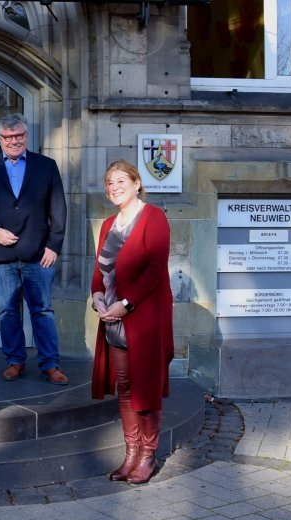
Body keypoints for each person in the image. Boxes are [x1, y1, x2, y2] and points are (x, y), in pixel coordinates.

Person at [0, 113, 68, 384]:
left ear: (26, 136)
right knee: (7, 311)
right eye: (8, 137)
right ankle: (15, 360)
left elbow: (58, 207)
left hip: (38, 253)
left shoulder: (46, 166)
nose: (14, 141)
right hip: (0, 254)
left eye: (19, 136)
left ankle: (50, 364)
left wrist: (54, 245)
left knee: (43, 310)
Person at [90, 159, 174, 484]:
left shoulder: (154, 218)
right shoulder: (108, 224)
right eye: (109, 182)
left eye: (121, 181)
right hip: (113, 319)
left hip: (144, 319)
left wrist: (125, 304)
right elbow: (99, 270)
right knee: (124, 388)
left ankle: (148, 456)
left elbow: (155, 270)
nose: (114, 187)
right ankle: (130, 454)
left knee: (145, 387)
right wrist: (97, 296)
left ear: (137, 183)